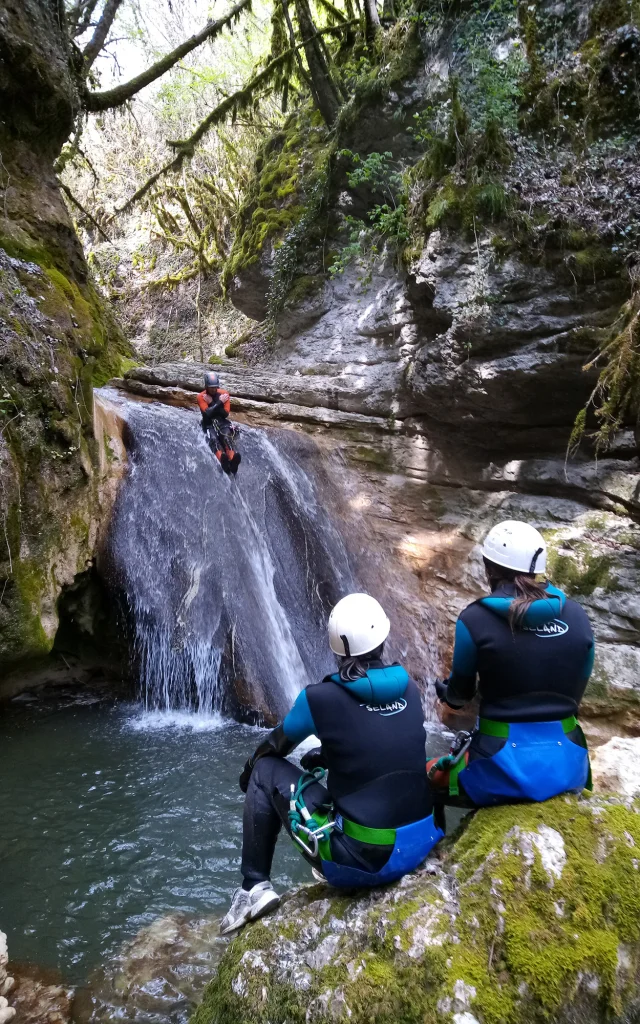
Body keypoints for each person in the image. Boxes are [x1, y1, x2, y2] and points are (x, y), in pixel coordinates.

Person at [220, 593, 444, 935]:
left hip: (367, 859)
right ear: (383, 638)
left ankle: (253, 889)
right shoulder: (410, 688)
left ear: (336, 648)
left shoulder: (320, 699)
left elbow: (275, 746)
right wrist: (327, 755)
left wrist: (247, 772)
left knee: (265, 771)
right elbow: (380, 742)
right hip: (421, 843)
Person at [428, 520, 594, 808]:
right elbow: (576, 690)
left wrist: (447, 693)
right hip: (568, 765)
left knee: (428, 775)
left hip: (500, 766)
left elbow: (460, 696)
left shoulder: (474, 620)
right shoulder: (577, 616)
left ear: (489, 568)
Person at [197, 370, 240, 474]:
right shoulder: (201, 396)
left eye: (215, 387)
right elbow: (207, 414)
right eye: (211, 387)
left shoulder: (224, 394)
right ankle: (222, 460)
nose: (213, 389)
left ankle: (233, 459)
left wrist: (213, 402)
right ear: (206, 386)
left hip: (222, 421)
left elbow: (225, 414)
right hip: (208, 423)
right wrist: (219, 402)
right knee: (214, 440)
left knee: (226, 437)